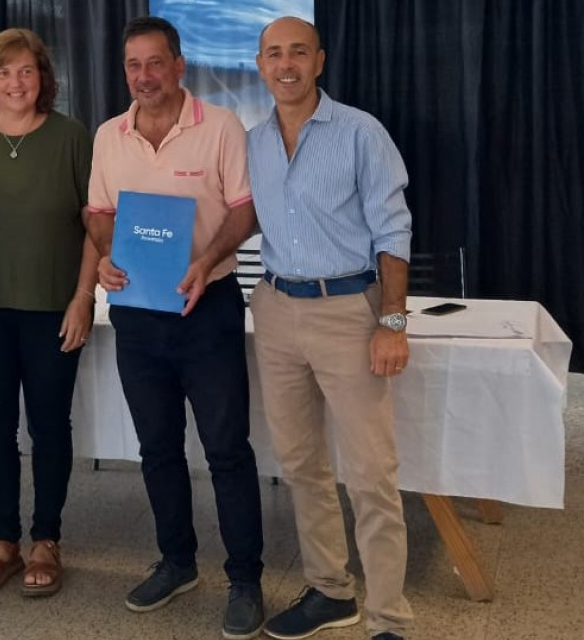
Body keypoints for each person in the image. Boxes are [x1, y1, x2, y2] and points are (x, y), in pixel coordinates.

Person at [188, 16, 415, 640]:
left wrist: (393, 321)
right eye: (273, 54)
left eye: (297, 53)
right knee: (301, 463)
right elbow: (249, 216)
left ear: (319, 61)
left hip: (349, 310)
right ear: (260, 65)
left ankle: (389, 619)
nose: (285, 65)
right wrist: (204, 260)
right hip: (275, 308)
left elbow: (393, 229)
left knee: (370, 473)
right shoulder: (254, 143)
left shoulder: (360, 133)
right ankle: (331, 591)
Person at [83, 16, 265, 640]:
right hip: (137, 313)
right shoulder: (110, 135)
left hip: (207, 309)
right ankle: (177, 562)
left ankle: (245, 579)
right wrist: (105, 254)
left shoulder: (221, 127)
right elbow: (97, 212)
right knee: (157, 447)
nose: (144, 76)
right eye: (133, 65)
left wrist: (207, 261)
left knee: (226, 449)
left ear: (179, 65)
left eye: (155, 62)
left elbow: (245, 210)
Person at [0, 28, 97, 598]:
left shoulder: (71, 137)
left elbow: (96, 224)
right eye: (3, 71)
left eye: (26, 70)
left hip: (52, 307)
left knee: (49, 425)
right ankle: (3, 540)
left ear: (43, 78)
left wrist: (84, 297)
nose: (15, 82)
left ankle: (47, 540)